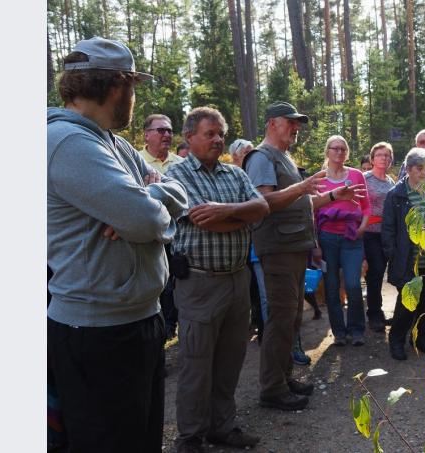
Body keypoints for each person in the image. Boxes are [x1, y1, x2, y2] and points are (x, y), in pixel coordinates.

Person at [47, 37, 188, 452]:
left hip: (136, 319)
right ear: (116, 86)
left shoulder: (115, 143)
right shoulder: (68, 143)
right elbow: (145, 220)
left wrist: (148, 198)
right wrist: (143, 209)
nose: (134, 97)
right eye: (133, 86)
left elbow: (178, 193)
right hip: (98, 331)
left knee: (141, 439)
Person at [243, 101, 364, 411]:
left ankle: (283, 379)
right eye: (290, 121)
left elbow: (304, 203)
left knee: (292, 317)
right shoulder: (261, 157)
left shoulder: (284, 157)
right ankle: (272, 388)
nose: (296, 127)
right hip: (278, 250)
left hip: (295, 248)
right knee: (281, 318)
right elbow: (263, 202)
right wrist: (300, 188)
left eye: (297, 122)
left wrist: (334, 195)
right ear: (272, 123)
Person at [167, 107, 269, 453]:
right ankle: (190, 436)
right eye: (209, 133)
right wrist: (242, 215)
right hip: (199, 283)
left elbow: (262, 207)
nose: (217, 140)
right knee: (196, 364)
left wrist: (226, 211)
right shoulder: (176, 175)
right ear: (189, 137)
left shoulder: (234, 173)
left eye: (220, 134)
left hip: (237, 280)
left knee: (230, 361)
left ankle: (222, 427)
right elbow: (202, 218)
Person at [382, 148, 425, 360]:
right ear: (408, 169)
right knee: (407, 303)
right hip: (408, 260)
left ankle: (420, 337)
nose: (424, 173)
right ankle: (396, 340)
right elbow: (388, 229)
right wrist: (393, 255)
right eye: (419, 168)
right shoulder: (396, 194)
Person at [315, 135, 372, 346]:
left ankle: (356, 330)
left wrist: (362, 227)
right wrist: (315, 245)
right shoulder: (319, 179)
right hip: (326, 238)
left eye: (343, 149)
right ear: (327, 151)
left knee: (353, 285)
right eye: (335, 148)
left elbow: (366, 206)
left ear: (347, 153)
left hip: (352, 237)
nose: (339, 152)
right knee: (331, 288)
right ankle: (339, 332)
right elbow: (311, 212)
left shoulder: (356, 175)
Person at [141, 113, 185, 340]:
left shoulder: (181, 164)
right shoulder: (134, 161)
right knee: (156, 281)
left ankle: (170, 325)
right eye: (161, 130)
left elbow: (186, 200)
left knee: (176, 281)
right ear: (146, 135)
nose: (167, 134)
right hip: (148, 235)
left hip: (179, 233)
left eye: (169, 130)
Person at [362, 142, 396, 332]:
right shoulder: (364, 179)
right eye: (380, 155)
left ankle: (379, 311)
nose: (383, 158)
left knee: (381, 272)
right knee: (374, 273)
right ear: (372, 159)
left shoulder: (391, 182)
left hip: (387, 234)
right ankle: (374, 314)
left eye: (387, 155)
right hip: (369, 233)